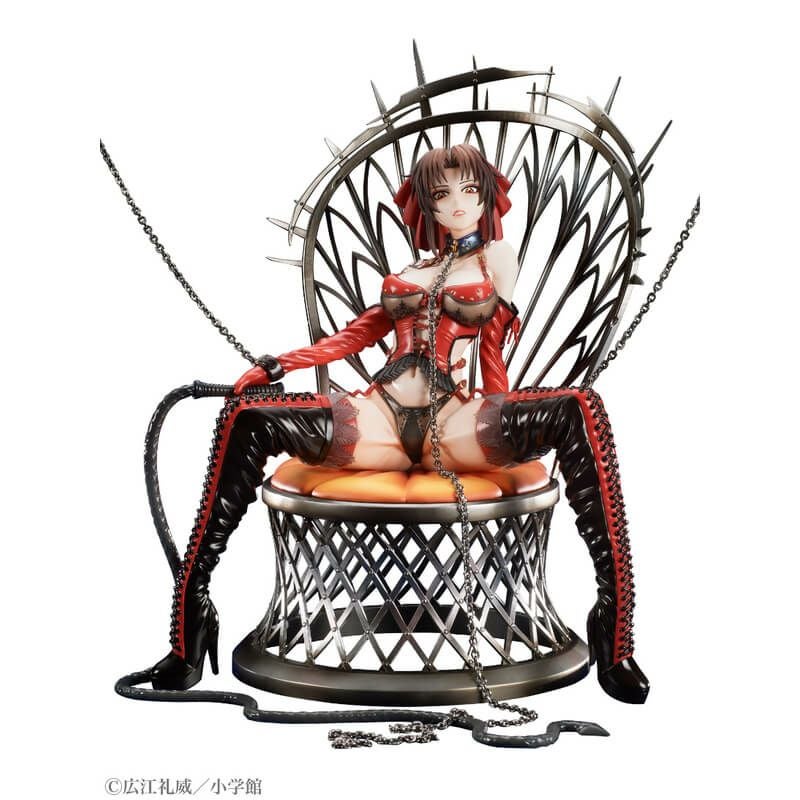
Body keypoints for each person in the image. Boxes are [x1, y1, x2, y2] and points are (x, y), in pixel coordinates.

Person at [151, 144, 649, 704]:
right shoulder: (410, 271)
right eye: (441, 194)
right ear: (425, 205)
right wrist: (276, 366)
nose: (457, 203)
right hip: (380, 418)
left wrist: (503, 412)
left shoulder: (497, 258)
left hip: (456, 421)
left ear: (487, 195)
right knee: (247, 416)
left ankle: (615, 627)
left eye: (469, 190)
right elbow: (356, 335)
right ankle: (190, 618)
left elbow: (491, 344)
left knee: (580, 406)